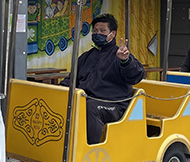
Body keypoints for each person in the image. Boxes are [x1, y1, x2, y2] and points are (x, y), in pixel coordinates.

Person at [60, 13, 145, 145]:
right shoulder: (86, 57)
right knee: (67, 103)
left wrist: (125, 61)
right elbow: (71, 80)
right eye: (95, 30)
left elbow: (137, 75)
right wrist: (58, 91)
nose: (98, 33)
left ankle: (91, 151)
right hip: (86, 100)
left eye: (103, 31)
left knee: (90, 107)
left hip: (114, 105)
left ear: (113, 34)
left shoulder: (120, 54)